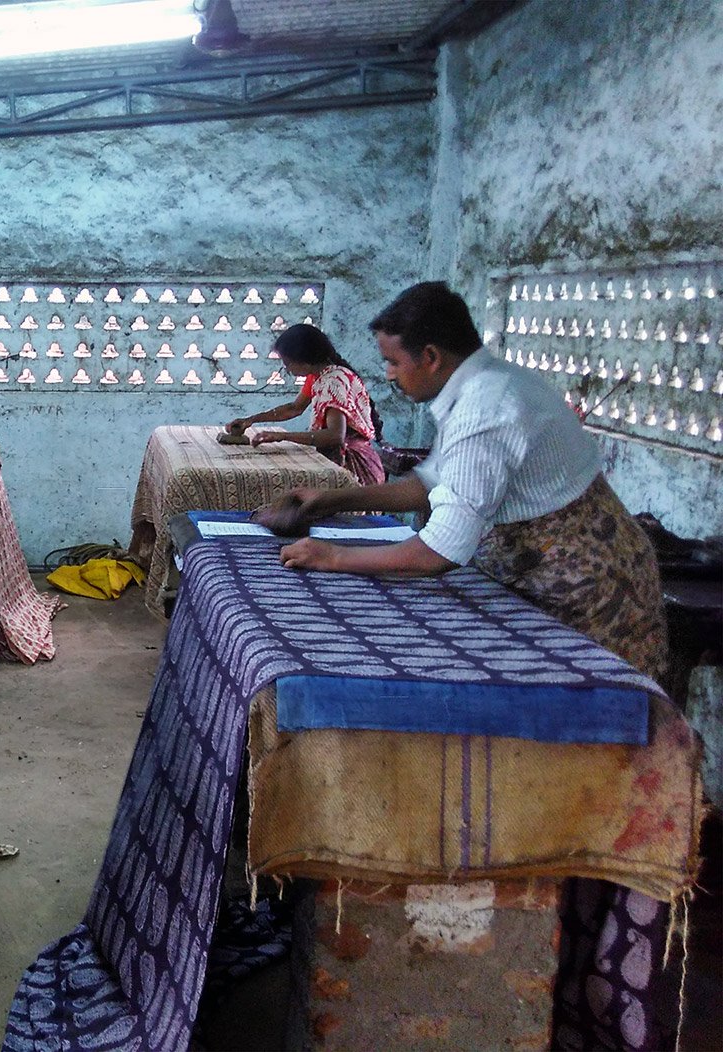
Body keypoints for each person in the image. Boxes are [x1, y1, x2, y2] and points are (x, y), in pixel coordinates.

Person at [261, 281, 673, 1050]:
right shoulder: (471, 389)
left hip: (589, 589)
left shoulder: (488, 408)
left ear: (430, 355)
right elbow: (429, 487)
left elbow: (436, 551)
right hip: (536, 574)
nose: (387, 376)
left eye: (392, 362)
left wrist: (327, 555)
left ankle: (576, 933)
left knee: (586, 753)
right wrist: (328, 502)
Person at [226, 323, 386, 485]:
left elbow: (334, 436)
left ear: (304, 359)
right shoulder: (318, 376)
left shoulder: (333, 383)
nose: (286, 369)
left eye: (287, 363)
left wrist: (283, 436)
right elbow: (294, 408)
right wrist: (251, 420)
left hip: (354, 470)